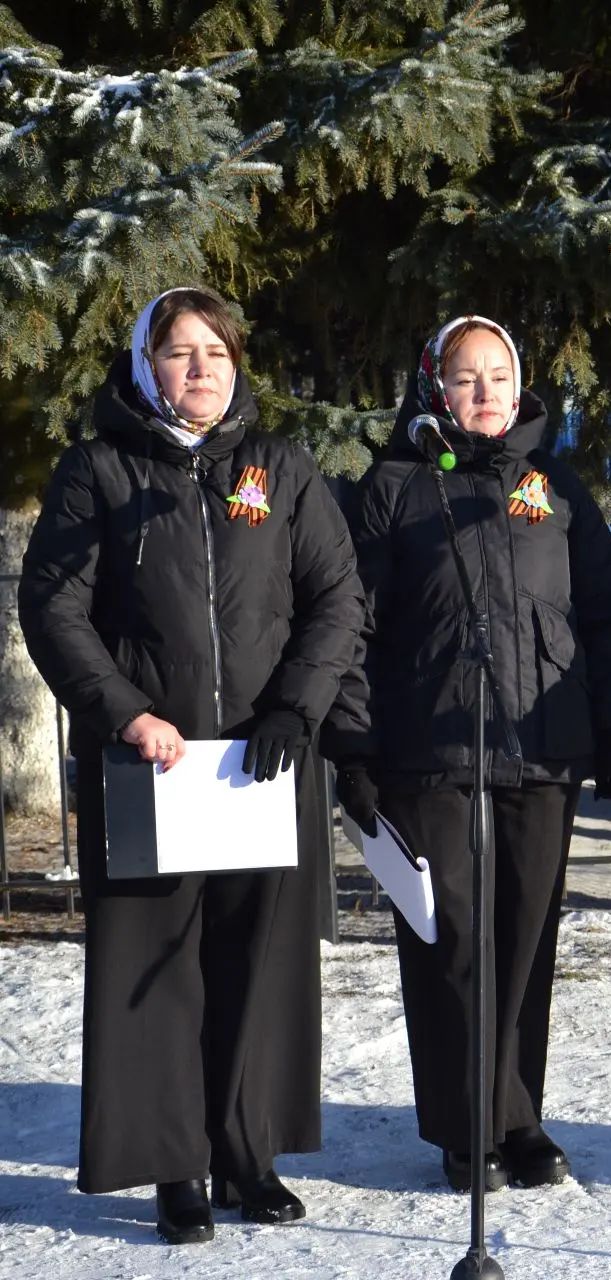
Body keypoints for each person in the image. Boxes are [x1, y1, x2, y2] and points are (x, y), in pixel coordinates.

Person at [18, 287, 364, 1243]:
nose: (201, 368)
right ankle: (174, 1164)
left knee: (259, 961)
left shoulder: (280, 468)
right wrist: (126, 714)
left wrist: (297, 705)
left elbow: (337, 597)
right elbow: (54, 606)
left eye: (217, 351)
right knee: (154, 969)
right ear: (146, 366)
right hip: (152, 767)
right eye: (180, 352)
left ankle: (246, 1153)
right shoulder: (100, 470)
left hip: (261, 762)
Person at [327, 315, 611, 1194]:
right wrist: (352, 744)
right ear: (434, 385)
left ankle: (520, 1116)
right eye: (466, 377)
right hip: (428, 748)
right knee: (454, 945)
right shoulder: (392, 487)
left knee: (524, 942)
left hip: (541, 747)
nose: (485, 393)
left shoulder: (554, 486)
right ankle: (466, 1127)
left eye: (499, 376)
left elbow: (603, 611)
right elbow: (351, 625)